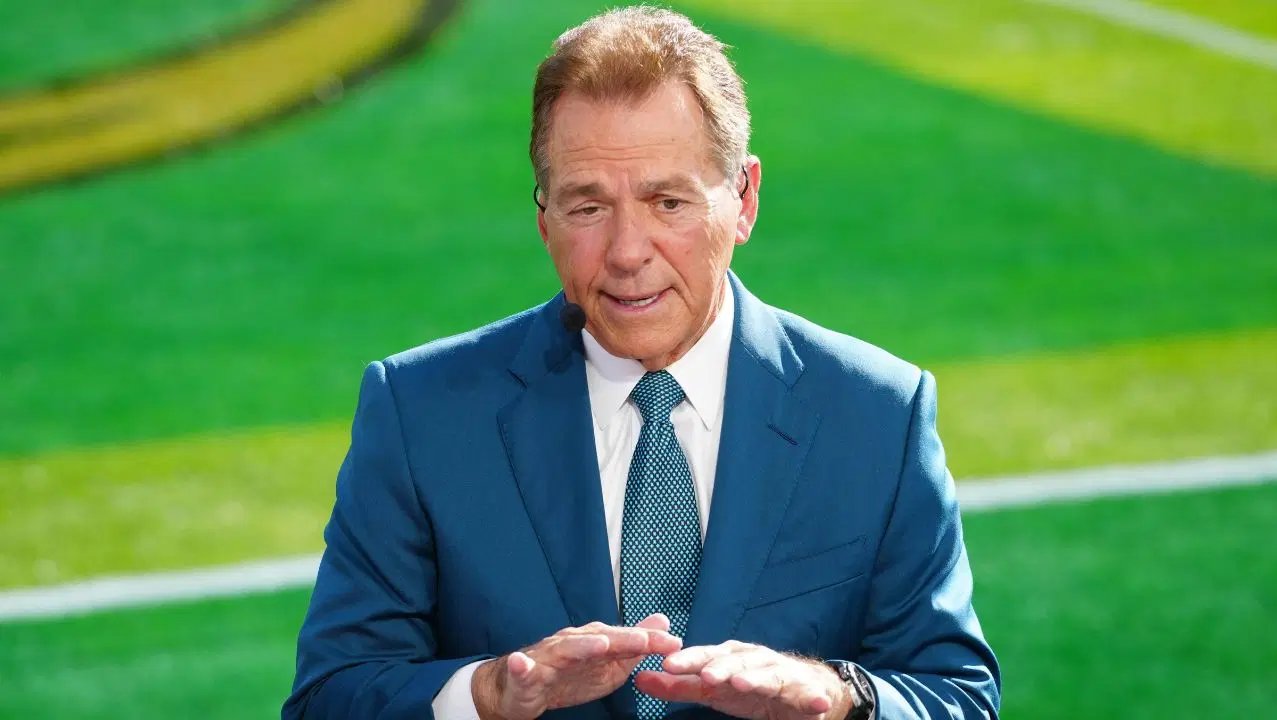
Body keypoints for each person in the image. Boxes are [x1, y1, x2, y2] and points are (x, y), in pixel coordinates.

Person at [283, 7, 999, 720]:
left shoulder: (877, 415)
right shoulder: (421, 414)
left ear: (745, 199)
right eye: (588, 208)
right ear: (544, 221)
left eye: (667, 202)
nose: (628, 252)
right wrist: (487, 693)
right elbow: (328, 699)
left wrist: (841, 698)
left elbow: (957, 696)